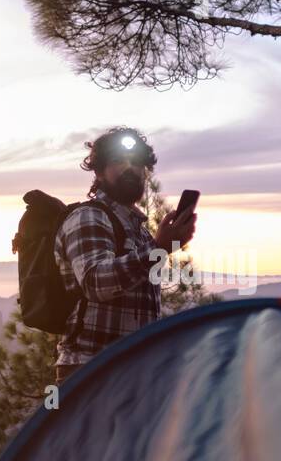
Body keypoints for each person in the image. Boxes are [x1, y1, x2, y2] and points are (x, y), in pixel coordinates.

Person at [53, 127, 196, 383]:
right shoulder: (88, 216)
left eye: (137, 163)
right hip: (90, 370)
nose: (130, 168)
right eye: (119, 161)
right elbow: (96, 282)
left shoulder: (138, 231)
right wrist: (160, 248)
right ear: (99, 171)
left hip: (133, 370)